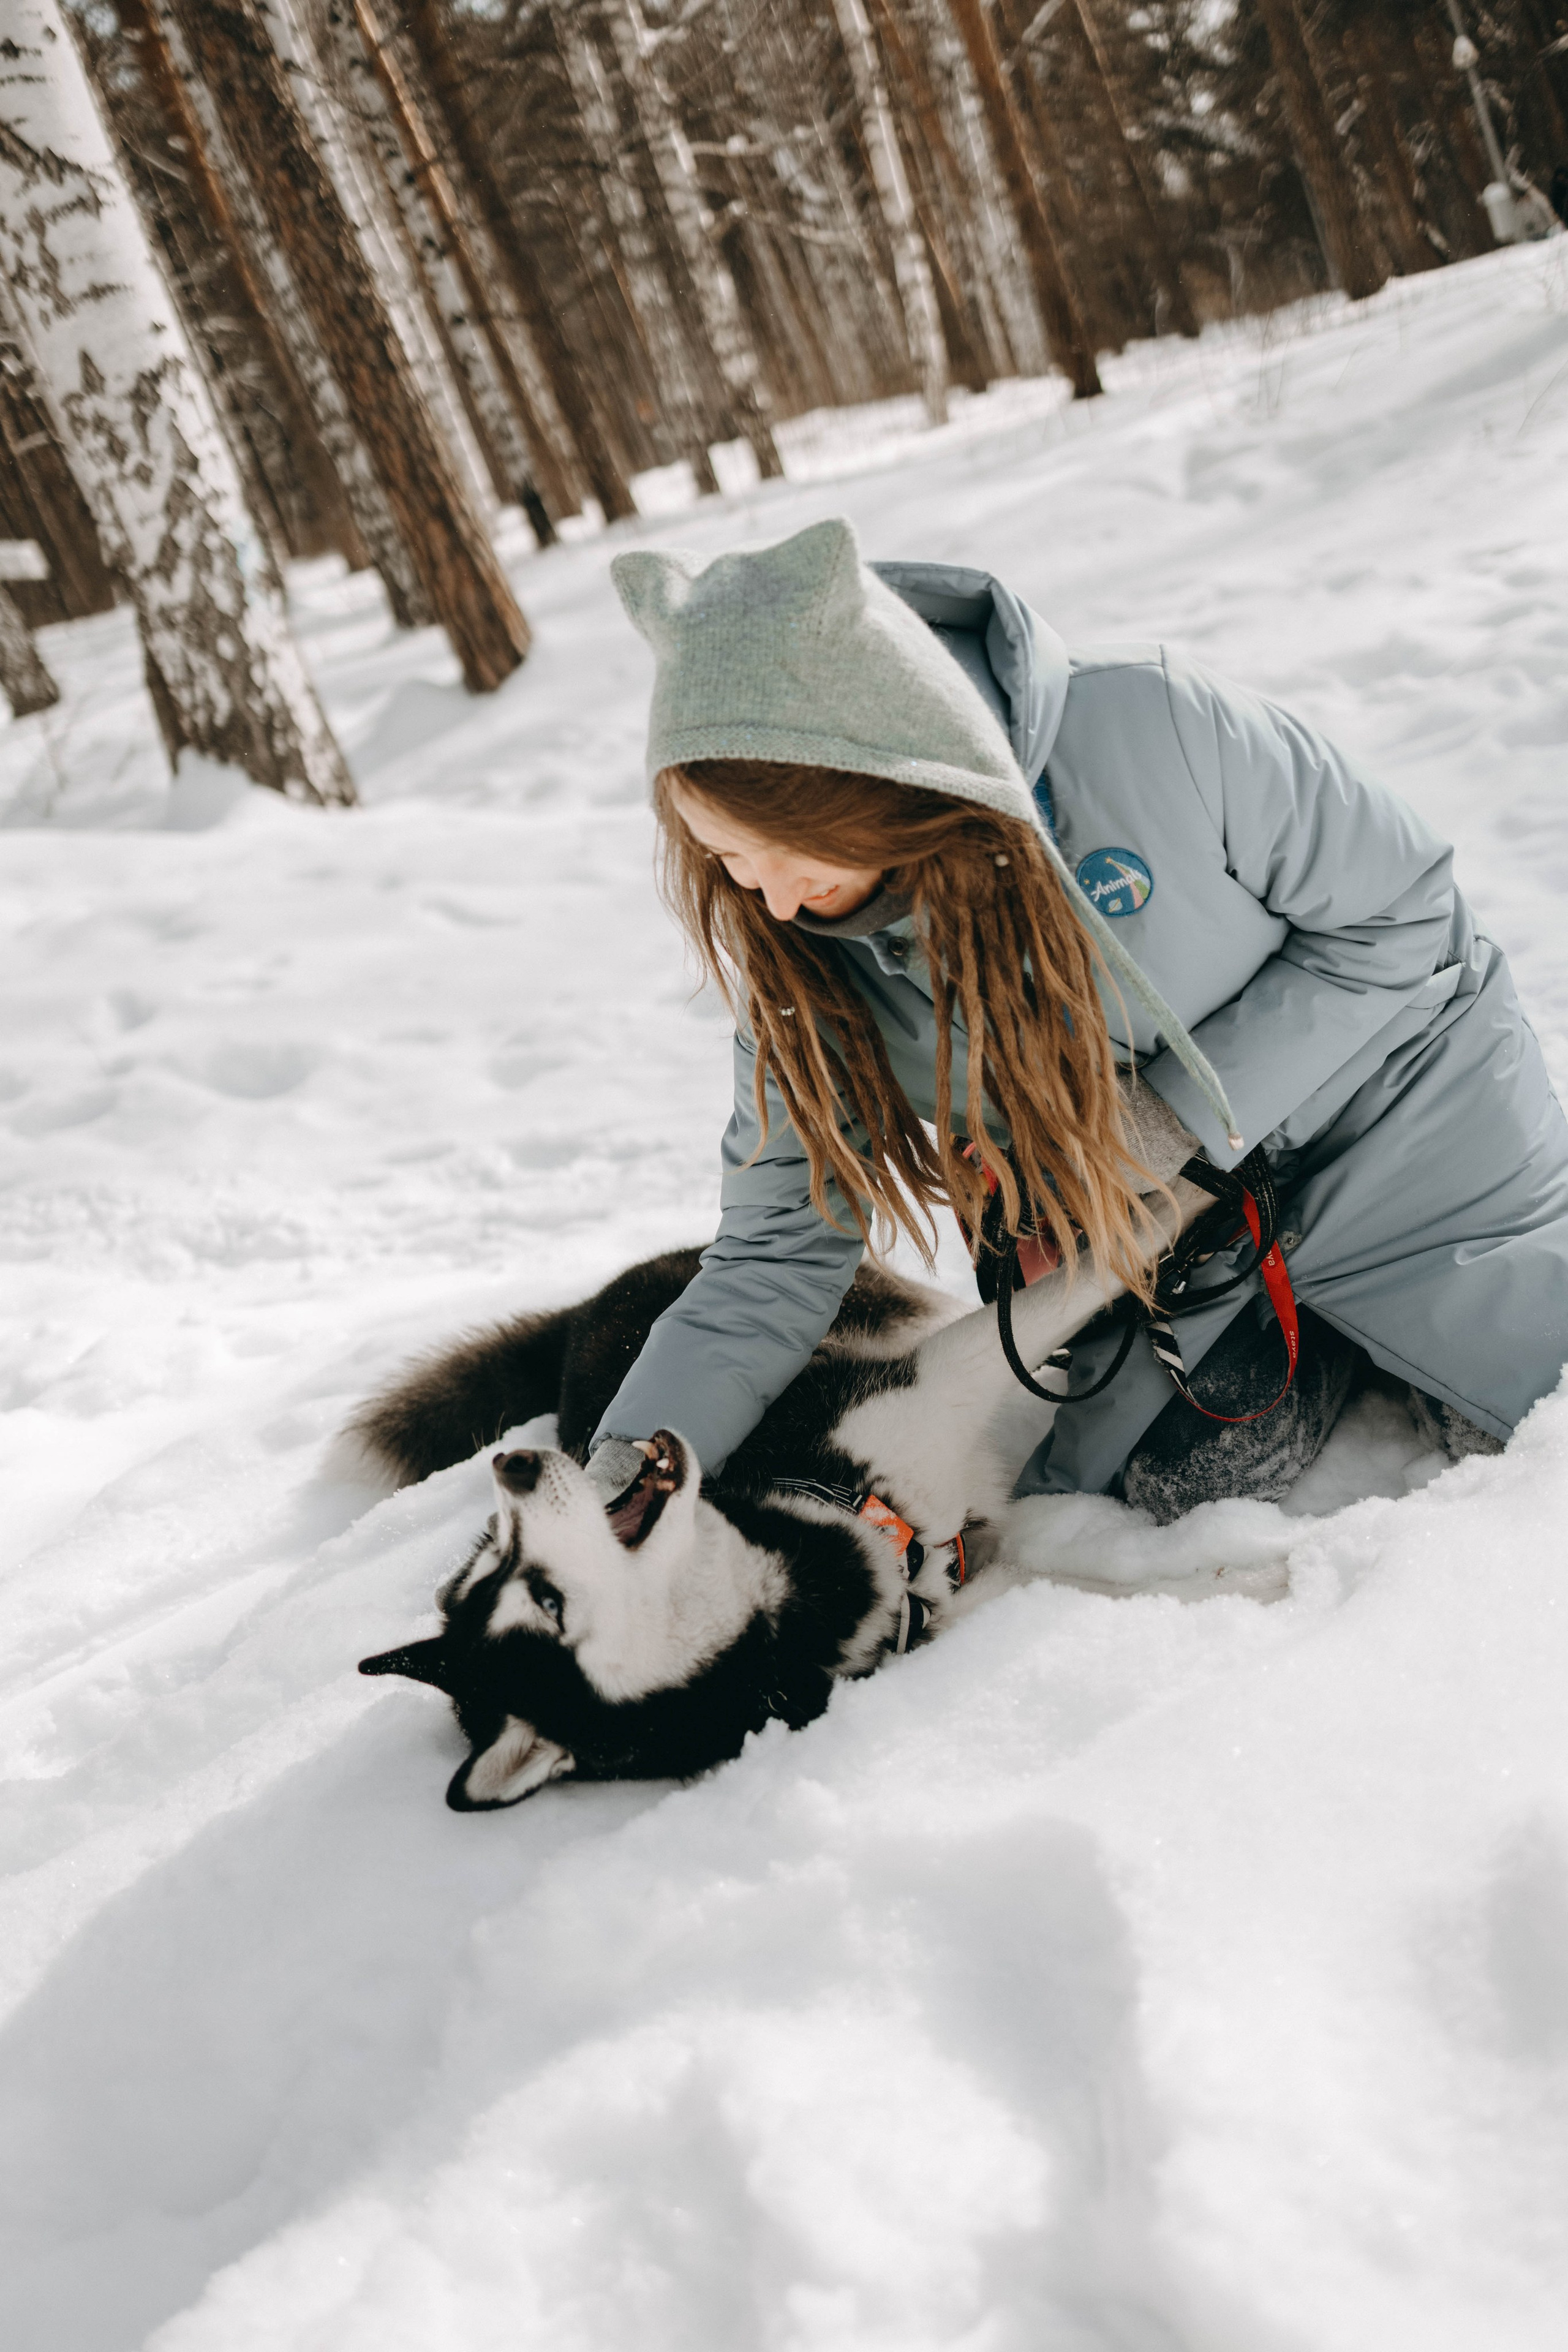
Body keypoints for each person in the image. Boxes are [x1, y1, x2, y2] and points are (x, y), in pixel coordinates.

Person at [582, 518, 1568, 1523]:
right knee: (1158, 1498)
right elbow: (774, 1252)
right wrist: (635, 1461)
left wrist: (1167, 1122)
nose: (773, 902)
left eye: (796, 859)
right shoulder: (798, 968)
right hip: (1166, 1231)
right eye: (728, 862)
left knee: (1538, 1416)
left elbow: (1398, 919)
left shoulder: (1161, 728)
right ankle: (1304, 1332)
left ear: (879, 792)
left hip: (1408, 1124)